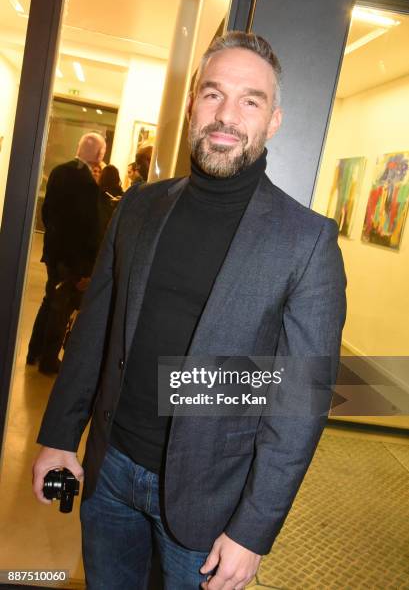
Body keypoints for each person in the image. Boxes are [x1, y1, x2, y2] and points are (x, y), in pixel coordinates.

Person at [32, 32, 346, 589]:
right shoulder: (139, 208)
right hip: (109, 476)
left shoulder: (306, 241)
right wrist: (59, 436)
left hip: (211, 507)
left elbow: (299, 404)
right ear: (191, 106)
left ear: (273, 120)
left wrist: (253, 530)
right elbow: (95, 332)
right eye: (212, 94)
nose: (227, 114)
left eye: (250, 100)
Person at [27, 132, 106, 374]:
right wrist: (83, 268)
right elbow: (84, 229)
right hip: (72, 258)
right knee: (61, 308)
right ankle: (49, 360)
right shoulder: (87, 183)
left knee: (49, 298)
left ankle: (34, 352)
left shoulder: (59, 171)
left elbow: (47, 212)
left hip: (54, 251)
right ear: (100, 155)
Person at [97, 164, 124, 235]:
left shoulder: (97, 194)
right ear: (117, 178)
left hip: (99, 234)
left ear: (102, 177)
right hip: (114, 235)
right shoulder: (122, 196)